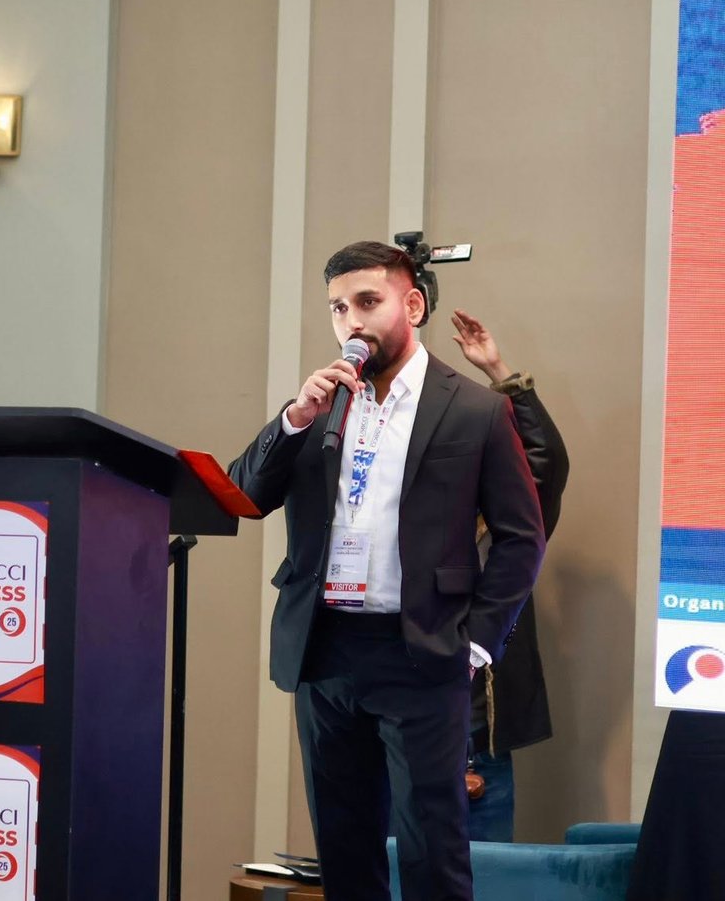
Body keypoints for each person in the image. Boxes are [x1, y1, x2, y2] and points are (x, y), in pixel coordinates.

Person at [229, 242, 546, 901]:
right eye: (338, 308)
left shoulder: (474, 410)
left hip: (423, 651)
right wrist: (294, 419)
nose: (351, 320)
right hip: (325, 649)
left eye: (367, 302)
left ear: (413, 305)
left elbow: (521, 538)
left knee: (433, 852)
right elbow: (243, 496)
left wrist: (477, 644)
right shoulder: (320, 406)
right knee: (345, 850)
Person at [448, 309, 568, 843]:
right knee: (393, 872)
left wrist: (500, 374)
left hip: (477, 741)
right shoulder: (407, 517)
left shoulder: (502, 529)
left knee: (484, 874)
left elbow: (547, 462)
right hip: (399, 727)